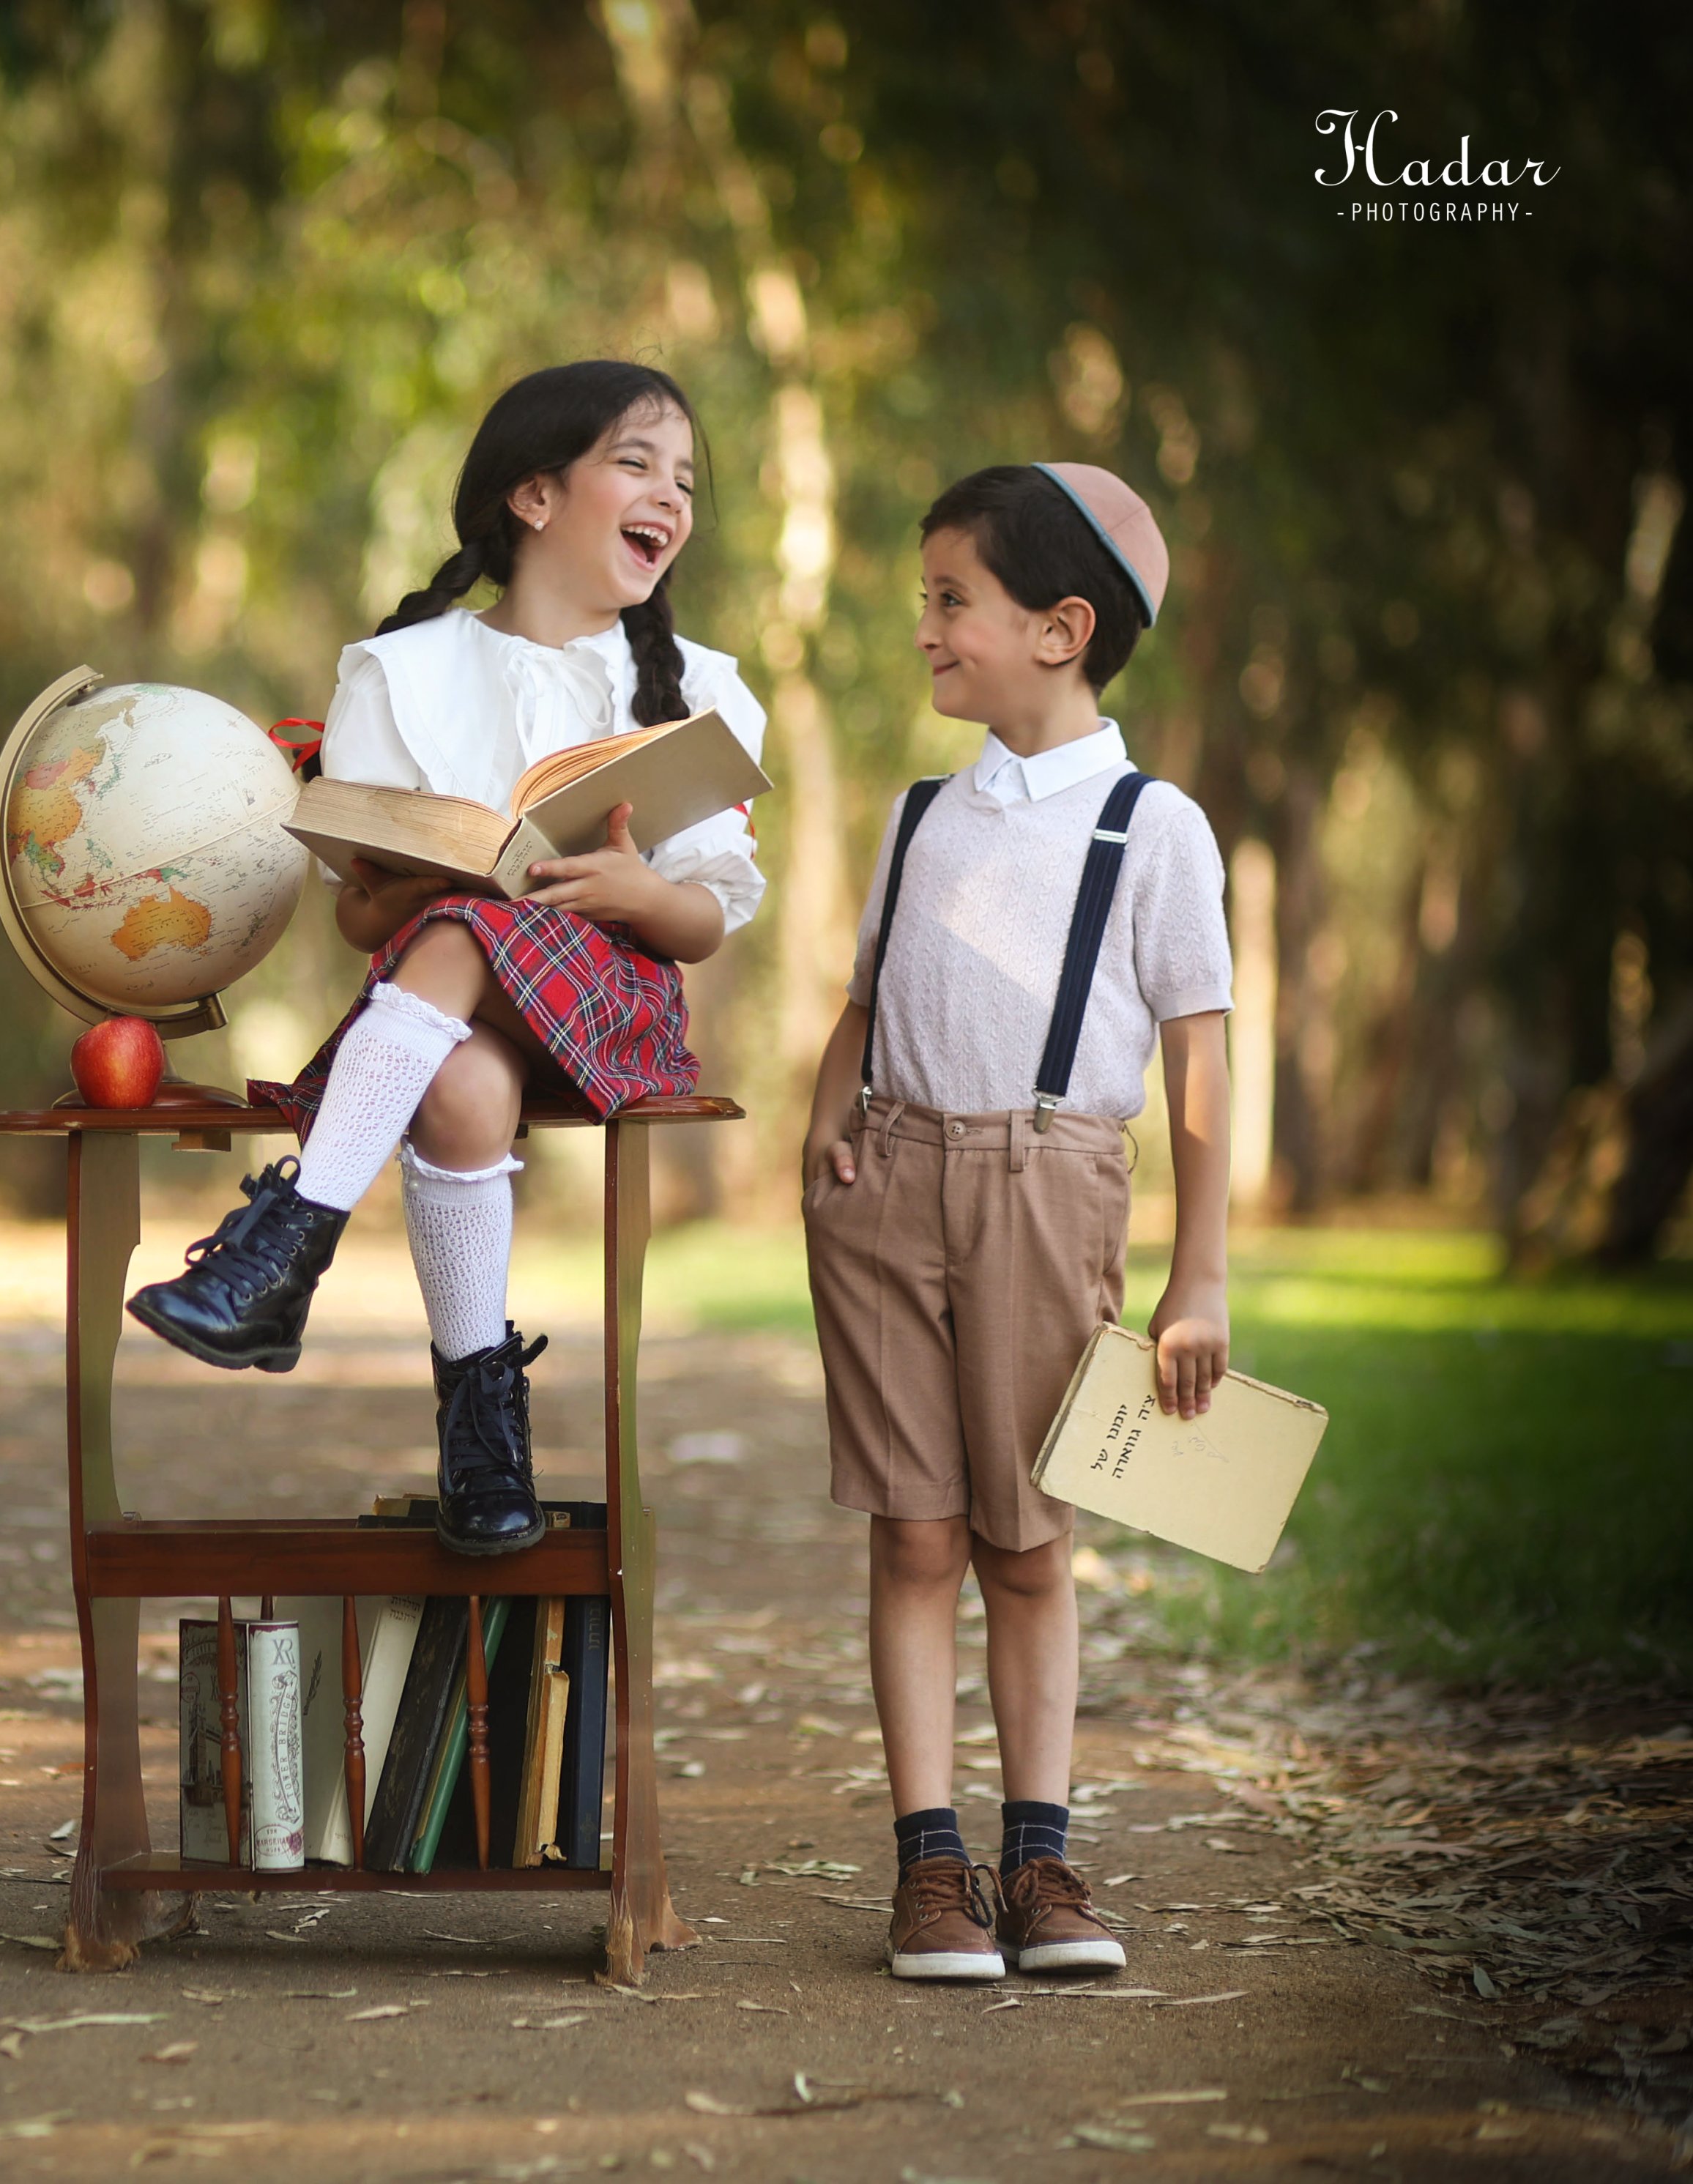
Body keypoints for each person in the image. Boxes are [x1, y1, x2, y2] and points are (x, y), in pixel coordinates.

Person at [124, 360, 768, 1559]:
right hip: (460, 1014)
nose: (672, 498)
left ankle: (290, 1241)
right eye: (637, 464)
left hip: (616, 1009)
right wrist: (424, 881)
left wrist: (636, 890)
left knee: (469, 932)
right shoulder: (403, 672)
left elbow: (703, 924)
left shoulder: (703, 689)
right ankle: (483, 1436)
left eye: (685, 480)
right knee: (463, 1078)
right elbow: (361, 920)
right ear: (534, 495)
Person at [798, 462, 1235, 1981]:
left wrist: (1198, 1276)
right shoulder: (921, 815)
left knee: (1027, 1542)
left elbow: (1198, 1051)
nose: (923, 629)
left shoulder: (1152, 826)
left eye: (950, 600)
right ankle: (930, 1868)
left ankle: (1038, 1860)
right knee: (912, 1532)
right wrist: (824, 1120)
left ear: (1060, 629)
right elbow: (865, 998)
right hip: (884, 1190)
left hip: (1050, 1191)